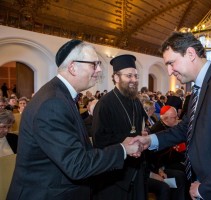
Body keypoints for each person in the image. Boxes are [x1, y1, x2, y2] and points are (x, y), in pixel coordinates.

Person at [7, 40, 143, 200]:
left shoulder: (60, 95)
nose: (99, 70)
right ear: (72, 67)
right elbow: (76, 165)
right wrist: (123, 149)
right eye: (94, 64)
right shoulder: (52, 103)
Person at [131, 32, 211, 200]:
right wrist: (151, 140)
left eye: (171, 63)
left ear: (190, 54)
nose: (169, 71)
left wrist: (206, 188)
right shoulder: (199, 88)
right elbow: (186, 128)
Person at [92, 54, 148, 200]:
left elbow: (139, 127)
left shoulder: (136, 101)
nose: (134, 80)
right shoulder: (104, 104)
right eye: (129, 76)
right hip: (115, 176)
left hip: (137, 169)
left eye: (136, 76)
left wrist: (142, 136)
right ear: (116, 77)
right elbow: (99, 140)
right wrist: (127, 141)